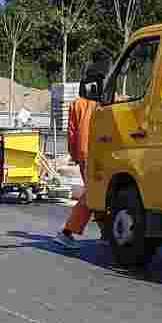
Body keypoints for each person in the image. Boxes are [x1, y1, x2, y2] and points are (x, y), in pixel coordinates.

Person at [58, 90, 100, 247]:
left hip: (84, 153)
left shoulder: (77, 104)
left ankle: (107, 232)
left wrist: (74, 154)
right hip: (100, 152)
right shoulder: (109, 99)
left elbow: (71, 131)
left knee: (99, 192)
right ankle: (67, 232)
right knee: (94, 192)